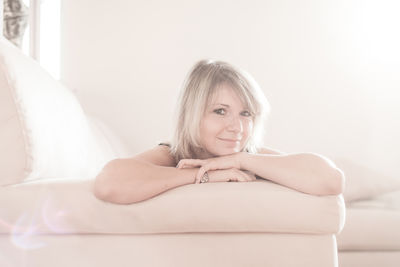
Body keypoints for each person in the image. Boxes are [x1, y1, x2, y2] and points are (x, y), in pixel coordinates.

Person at [94, 59, 345, 204]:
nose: (236, 127)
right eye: (220, 111)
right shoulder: (172, 154)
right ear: (192, 114)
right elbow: (108, 183)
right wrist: (203, 175)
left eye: (245, 114)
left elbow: (331, 179)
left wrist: (237, 160)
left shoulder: (248, 156)